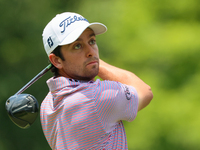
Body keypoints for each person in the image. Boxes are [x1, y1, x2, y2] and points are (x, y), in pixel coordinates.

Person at [40, 12, 153, 150]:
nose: (91, 51)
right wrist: (95, 62)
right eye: (77, 46)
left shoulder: (47, 105)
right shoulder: (96, 96)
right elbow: (145, 92)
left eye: (92, 41)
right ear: (56, 60)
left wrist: (88, 61)